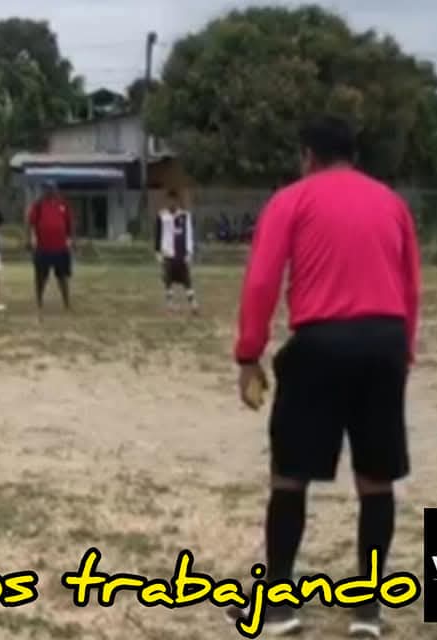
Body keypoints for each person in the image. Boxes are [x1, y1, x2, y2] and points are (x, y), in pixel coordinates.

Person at [231, 116, 421, 638]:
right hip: (384, 342)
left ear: (307, 156)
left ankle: (279, 606)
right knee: (376, 480)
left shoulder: (292, 199)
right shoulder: (391, 203)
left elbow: (262, 279)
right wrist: (402, 352)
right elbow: (410, 285)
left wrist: (249, 353)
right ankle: (368, 611)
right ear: (352, 155)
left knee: (290, 476)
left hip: (319, 344)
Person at [27, 181, 74, 313]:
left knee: (63, 277)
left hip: (61, 247)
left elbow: (70, 223)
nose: (49, 191)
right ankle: (39, 301)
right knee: (41, 277)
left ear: (56, 190)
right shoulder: (38, 205)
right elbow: (30, 223)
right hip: (43, 248)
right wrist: (29, 240)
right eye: (46, 189)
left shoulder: (63, 204)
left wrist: (72, 240)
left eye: (52, 188)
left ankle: (66, 302)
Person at [154, 188, 198, 314]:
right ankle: (170, 303)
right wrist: (157, 251)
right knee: (167, 279)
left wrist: (190, 252)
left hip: (181, 252)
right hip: (167, 252)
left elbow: (189, 233)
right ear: (167, 201)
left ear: (177, 201)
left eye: (174, 200)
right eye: (169, 200)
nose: (171, 203)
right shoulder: (162, 216)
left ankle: (193, 303)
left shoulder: (185, 216)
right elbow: (158, 234)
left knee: (186, 278)